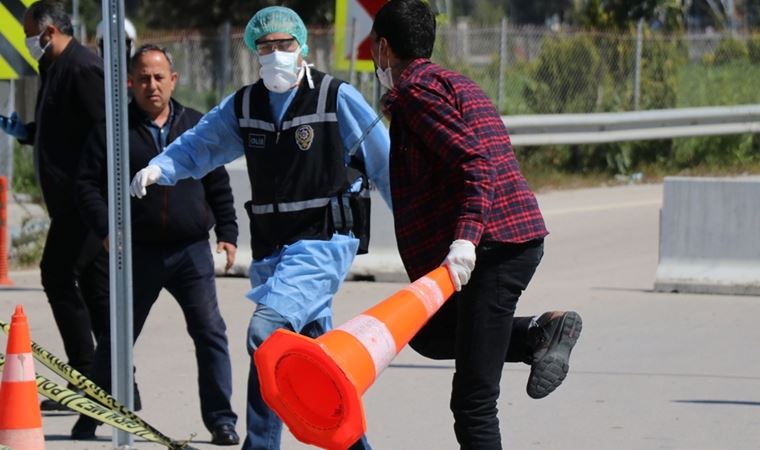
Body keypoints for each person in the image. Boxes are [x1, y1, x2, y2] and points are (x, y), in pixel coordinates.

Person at [128, 7, 391, 449]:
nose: (276, 55)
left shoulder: (335, 97)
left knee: (266, 336)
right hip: (274, 252)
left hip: (322, 243)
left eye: (285, 45)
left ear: (302, 47)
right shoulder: (246, 104)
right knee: (316, 367)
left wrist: (424, 233)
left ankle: (260, 446)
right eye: (265, 47)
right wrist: (161, 168)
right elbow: (202, 143)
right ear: (254, 51)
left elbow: (386, 167)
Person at [370, 1, 582, 448]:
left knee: (473, 403)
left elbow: (474, 163)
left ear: (384, 48)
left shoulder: (415, 94)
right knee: (427, 332)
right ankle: (540, 334)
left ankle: (542, 332)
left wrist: (465, 239)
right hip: (506, 237)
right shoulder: (452, 82)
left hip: (492, 247)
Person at [73, 45, 240, 445]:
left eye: (159, 77)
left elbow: (217, 182)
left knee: (210, 331)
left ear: (173, 80)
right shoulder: (113, 130)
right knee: (117, 338)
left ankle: (221, 421)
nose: (152, 85)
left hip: (190, 252)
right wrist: (106, 227)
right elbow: (86, 185)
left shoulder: (196, 127)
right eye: (143, 78)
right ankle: (90, 416)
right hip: (138, 253)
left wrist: (228, 233)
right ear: (131, 82)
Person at [0, 0, 111, 412]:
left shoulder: (83, 68)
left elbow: (104, 137)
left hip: (85, 201)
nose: (28, 42)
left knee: (57, 274)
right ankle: (114, 379)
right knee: (97, 291)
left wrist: (93, 195)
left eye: (31, 34)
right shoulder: (55, 67)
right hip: (70, 201)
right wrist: (28, 133)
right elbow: (64, 129)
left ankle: (85, 374)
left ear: (48, 33)